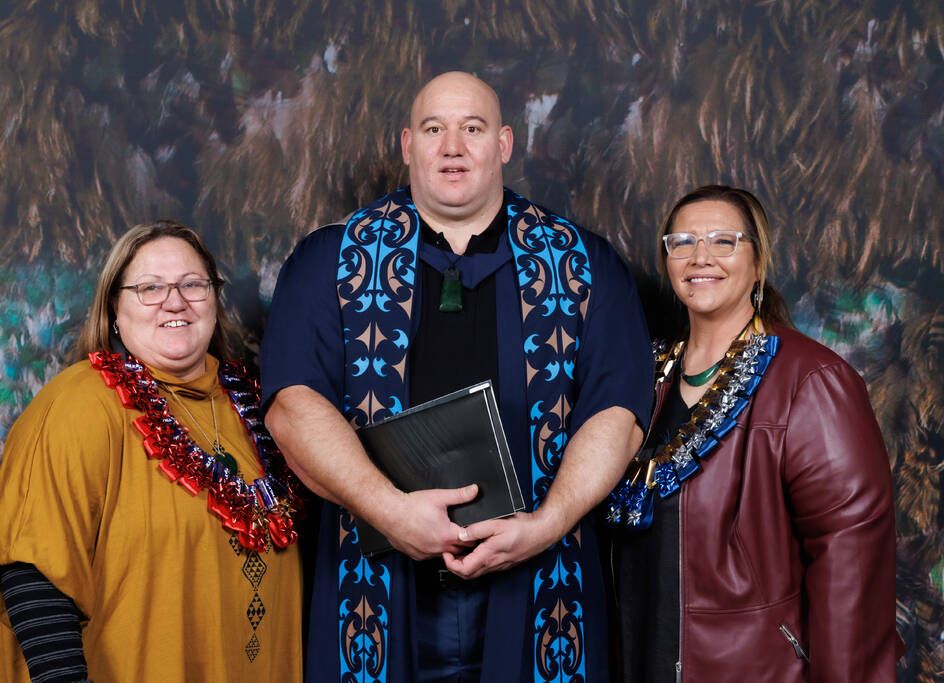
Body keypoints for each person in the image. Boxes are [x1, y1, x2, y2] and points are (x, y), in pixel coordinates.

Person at [261, 71, 653, 682]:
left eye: (472, 129)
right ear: (406, 145)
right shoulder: (330, 262)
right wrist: (387, 510)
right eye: (433, 129)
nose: (452, 146)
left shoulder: (583, 263)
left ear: (503, 145)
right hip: (378, 586)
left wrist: (546, 525)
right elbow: (293, 408)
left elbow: (619, 416)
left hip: (538, 583)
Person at [0, 221, 305, 682]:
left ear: (214, 298)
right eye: (150, 288)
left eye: (193, 284)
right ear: (114, 310)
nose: (175, 301)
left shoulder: (259, 409)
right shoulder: (78, 405)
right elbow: (33, 577)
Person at [606, 185, 900, 681]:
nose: (701, 257)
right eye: (682, 242)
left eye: (724, 241)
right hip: (636, 660)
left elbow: (851, 564)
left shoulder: (811, 380)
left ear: (759, 262)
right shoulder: (640, 375)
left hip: (752, 668)